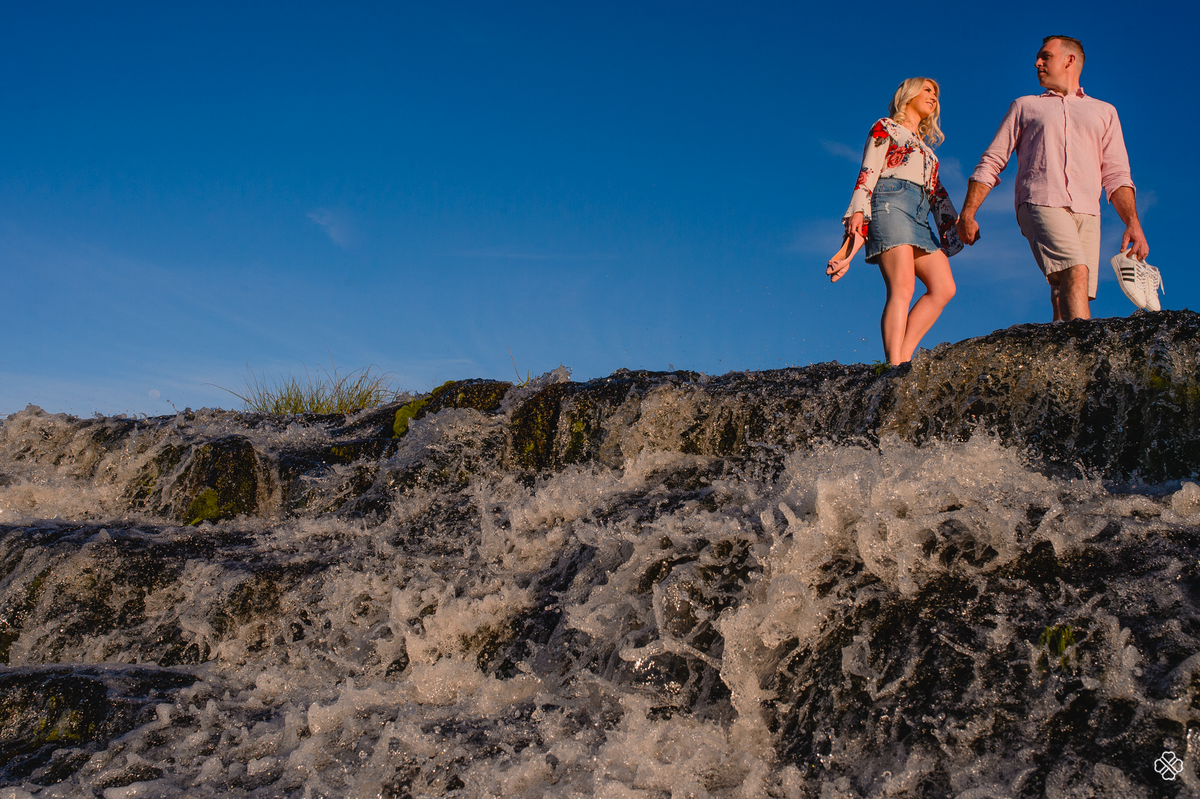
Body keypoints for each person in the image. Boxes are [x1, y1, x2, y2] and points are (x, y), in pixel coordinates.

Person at [955, 35, 1148, 321]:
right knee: (1075, 271)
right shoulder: (1025, 106)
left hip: (1088, 210)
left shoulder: (1105, 112)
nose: (1037, 63)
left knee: (1068, 288)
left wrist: (1133, 223)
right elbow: (992, 160)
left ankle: (1059, 354)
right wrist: (968, 212)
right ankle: (1084, 356)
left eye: (1045, 56)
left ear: (1069, 60)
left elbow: (1117, 174)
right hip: (1040, 200)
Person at [828, 78, 963, 365]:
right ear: (908, 95)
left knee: (944, 287)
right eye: (927, 90)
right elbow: (869, 169)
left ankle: (903, 357)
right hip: (890, 202)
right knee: (902, 288)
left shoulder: (929, 153)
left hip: (919, 214)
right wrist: (858, 211)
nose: (933, 97)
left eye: (936, 93)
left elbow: (938, 195)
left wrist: (957, 226)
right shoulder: (886, 127)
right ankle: (894, 366)